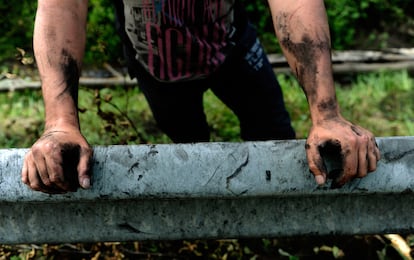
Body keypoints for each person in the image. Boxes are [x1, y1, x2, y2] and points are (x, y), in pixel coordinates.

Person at [22, 0, 381, 194]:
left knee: (271, 130)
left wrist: (327, 114)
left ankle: (277, 218)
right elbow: (63, 6)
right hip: (155, 61)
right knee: (187, 142)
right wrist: (60, 123)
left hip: (230, 46)